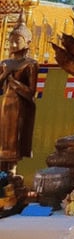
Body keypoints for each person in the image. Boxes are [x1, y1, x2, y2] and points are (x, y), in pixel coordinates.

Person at [0, 18, 38, 175]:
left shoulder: (30, 64)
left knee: (15, 140)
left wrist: (14, 83)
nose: (13, 44)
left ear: (27, 42)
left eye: (18, 40)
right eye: (11, 40)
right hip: (5, 105)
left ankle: (12, 172)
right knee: (3, 139)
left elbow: (31, 92)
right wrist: (5, 74)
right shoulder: (5, 63)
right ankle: (2, 173)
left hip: (20, 106)